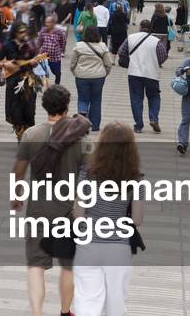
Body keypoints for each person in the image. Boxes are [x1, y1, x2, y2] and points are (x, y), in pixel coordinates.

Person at [11, 85, 89, 316]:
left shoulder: (31, 134)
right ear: (67, 106)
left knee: (36, 265)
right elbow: (89, 175)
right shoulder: (80, 137)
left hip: (38, 210)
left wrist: (16, 195)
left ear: (44, 106)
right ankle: (65, 311)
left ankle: (36, 313)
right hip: (69, 212)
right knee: (68, 265)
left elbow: (19, 170)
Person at [72, 122, 143, 316]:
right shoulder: (136, 178)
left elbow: (78, 214)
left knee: (87, 301)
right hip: (119, 247)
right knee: (116, 305)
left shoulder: (88, 173)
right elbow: (137, 219)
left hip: (89, 244)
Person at [118, 19, 168, 133]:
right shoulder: (156, 41)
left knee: (136, 98)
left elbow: (121, 51)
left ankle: (138, 125)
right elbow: (163, 55)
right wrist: (156, 62)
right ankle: (154, 118)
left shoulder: (131, 38)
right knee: (154, 96)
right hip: (152, 74)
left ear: (140, 27)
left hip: (134, 73)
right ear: (150, 28)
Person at [4, 24, 50, 140]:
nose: (23, 34)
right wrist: (4, 64)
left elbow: (36, 58)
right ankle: (20, 133)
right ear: (15, 33)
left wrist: (36, 61)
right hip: (13, 81)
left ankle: (28, 134)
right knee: (16, 110)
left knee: (30, 109)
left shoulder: (30, 45)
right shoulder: (7, 45)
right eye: (21, 32)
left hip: (29, 80)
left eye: (25, 32)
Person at [69, 25, 112, 132]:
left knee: (82, 98)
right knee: (96, 100)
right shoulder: (102, 46)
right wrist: (104, 73)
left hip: (82, 76)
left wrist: (76, 72)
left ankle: (82, 116)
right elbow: (108, 64)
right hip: (98, 77)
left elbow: (72, 63)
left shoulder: (79, 46)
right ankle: (95, 125)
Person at [36, 14, 68, 84]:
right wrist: (37, 53)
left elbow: (63, 41)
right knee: (44, 73)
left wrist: (62, 51)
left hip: (55, 56)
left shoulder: (59, 32)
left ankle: (57, 84)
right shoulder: (43, 31)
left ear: (53, 23)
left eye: (49, 22)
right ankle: (46, 87)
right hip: (44, 56)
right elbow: (39, 42)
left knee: (57, 72)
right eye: (46, 22)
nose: (47, 24)